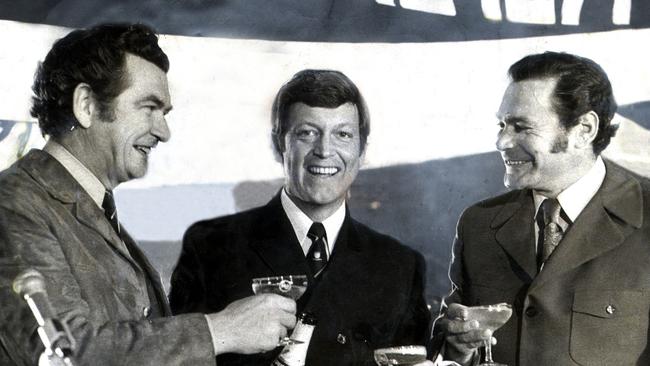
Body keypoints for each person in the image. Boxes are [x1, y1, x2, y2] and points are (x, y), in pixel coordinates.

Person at [0, 23, 297, 366]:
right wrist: (220, 331)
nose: (163, 131)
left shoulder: (86, 206)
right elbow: (65, 355)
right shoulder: (13, 205)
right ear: (86, 105)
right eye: (149, 108)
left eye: (164, 113)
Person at [169, 69, 432, 366]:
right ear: (278, 144)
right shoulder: (210, 247)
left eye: (342, 135)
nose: (324, 150)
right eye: (307, 133)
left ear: (362, 151)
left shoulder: (400, 265)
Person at [435, 51, 650, 365]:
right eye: (503, 125)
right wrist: (457, 348)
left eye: (521, 127)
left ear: (584, 130)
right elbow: (445, 347)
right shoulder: (479, 224)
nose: (502, 142)